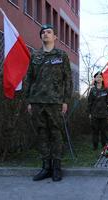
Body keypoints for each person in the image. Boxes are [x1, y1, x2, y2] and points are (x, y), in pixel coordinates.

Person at [25, 24, 73, 182]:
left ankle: (57, 167)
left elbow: (68, 79)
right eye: (43, 32)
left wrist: (65, 101)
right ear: (41, 37)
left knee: (56, 134)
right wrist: (29, 100)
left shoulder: (61, 55)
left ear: (55, 37)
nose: (45, 34)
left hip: (55, 102)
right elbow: (29, 79)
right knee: (42, 134)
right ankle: (46, 167)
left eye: (49, 32)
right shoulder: (35, 55)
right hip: (37, 101)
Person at [88, 72, 108, 150]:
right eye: (97, 77)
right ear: (95, 79)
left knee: (104, 131)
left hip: (104, 114)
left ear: (102, 79)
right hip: (94, 114)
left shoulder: (106, 89)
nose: (98, 78)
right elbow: (89, 102)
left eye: (100, 77)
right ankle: (95, 146)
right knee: (95, 131)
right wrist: (89, 112)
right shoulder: (92, 90)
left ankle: (104, 146)